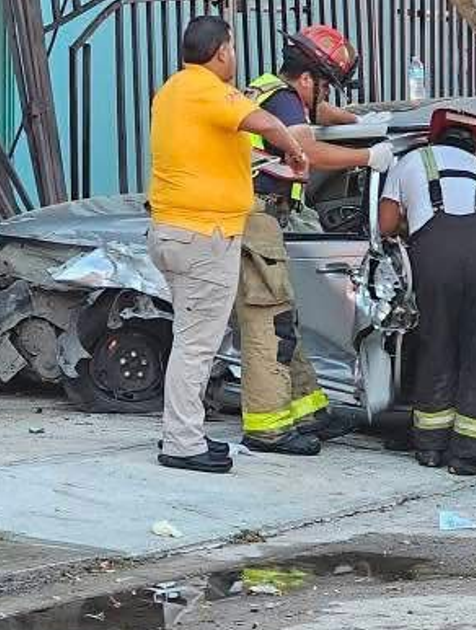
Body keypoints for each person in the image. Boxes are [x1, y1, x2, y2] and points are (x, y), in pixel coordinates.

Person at [148, 15, 308, 474]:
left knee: (191, 339)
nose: (234, 57)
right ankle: (181, 443)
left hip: (176, 232)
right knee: (196, 345)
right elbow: (267, 123)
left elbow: (234, 151)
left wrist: (271, 160)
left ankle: (185, 433)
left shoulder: (175, 92)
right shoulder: (207, 89)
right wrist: (293, 149)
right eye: (233, 49)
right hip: (203, 236)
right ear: (221, 51)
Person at [236, 25, 396, 456]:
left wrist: (359, 123)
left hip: (261, 219)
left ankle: (308, 411)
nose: (325, 97)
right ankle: (268, 429)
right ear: (307, 79)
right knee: (269, 326)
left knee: (283, 320)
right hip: (255, 217)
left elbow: (319, 116)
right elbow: (311, 154)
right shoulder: (285, 100)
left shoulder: (271, 93)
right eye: (325, 87)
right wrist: (369, 156)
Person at [378, 108, 476, 476]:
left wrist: (417, 220)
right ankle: (474, 453)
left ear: (434, 139)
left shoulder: (411, 161)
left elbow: (386, 225)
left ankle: (431, 447)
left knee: (436, 341)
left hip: (435, 255)